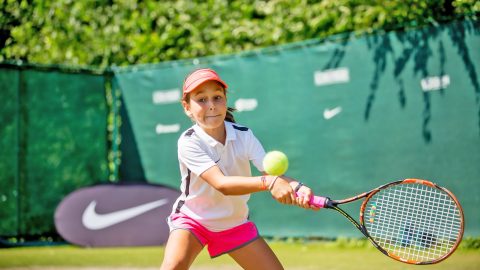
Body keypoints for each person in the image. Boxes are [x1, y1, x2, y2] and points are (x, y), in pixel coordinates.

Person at [160, 68, 319, 270]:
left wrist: (298, 187)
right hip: (193, 221)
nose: (211, 106)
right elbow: (222, 184)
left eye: (217, 97)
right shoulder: (189, 142)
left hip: (234, 223)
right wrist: (270, 183)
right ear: (187, 107)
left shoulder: (244, 135)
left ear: (225, 100)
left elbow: (271, 174)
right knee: (173, 266)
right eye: (201, 99)